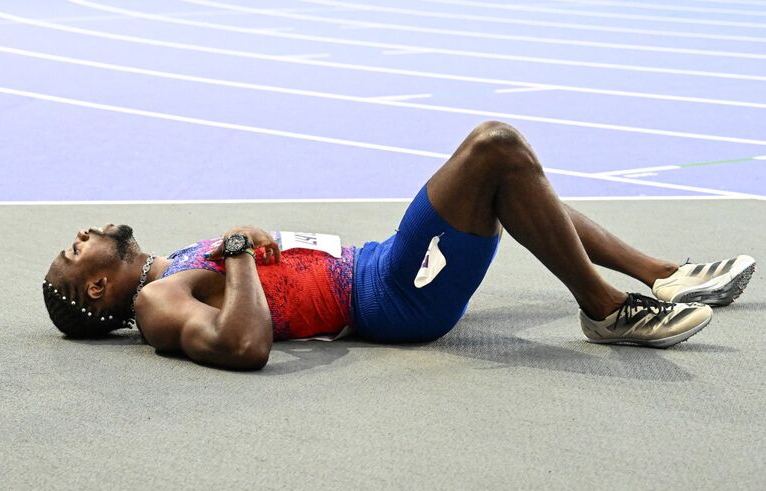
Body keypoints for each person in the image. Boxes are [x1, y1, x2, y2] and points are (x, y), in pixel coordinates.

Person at [42, 121, 756, 370]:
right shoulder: (160, 301)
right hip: (390, 297)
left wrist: (235, 254)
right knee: (494, 151)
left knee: (505, 181)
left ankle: (662, 274)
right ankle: (604, 307)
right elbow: (244, 346)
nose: (80, 238)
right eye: (74, 254)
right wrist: (234, 249)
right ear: (99, 290)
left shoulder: (168, 269)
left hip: (376, 265)